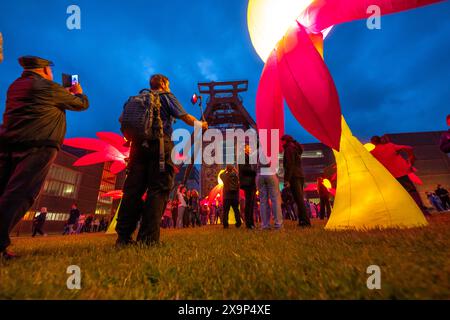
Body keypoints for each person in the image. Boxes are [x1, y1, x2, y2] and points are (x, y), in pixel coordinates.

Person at [0, 56, 89, 259]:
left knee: (5, 190)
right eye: (50, 70)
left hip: (9, 144)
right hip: (38, 145)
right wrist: (78, 92)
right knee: (20, 194)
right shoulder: (48, 87)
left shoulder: (16, 85)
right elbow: (81, 104)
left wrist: (60, 94)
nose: (52, 74)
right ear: (44, 70)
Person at [115, 74, 208, 246]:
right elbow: (186, 117)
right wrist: (201, 125)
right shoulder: (166, 96)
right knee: (158, 189)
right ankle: (148, 239)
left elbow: (122, 120)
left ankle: (123, 237)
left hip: (137, 147)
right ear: (164, 84)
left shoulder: (138, 97)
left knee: (133, 190)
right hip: (160, 145)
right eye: (169, 84)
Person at [370, 136, 430, 215]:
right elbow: (408, 148)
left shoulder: (372, 153)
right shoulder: (390, 146)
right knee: (411, 191)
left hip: (389, 176)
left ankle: (407, 212)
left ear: (372, 143)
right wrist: (411, 158)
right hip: (401, 172)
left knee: (398, 194)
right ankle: (421, 210)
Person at [281, 135, 311, 228]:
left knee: (299, 200)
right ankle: (303, 220)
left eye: (282, 141)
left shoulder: (289, 149)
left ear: (285, 141)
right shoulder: (295, 148)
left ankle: (305, 221)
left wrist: (286, 179)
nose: (281, 143)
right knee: (299, 199)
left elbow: (289, 164)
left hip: (294, 176)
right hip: (300, 175)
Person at [256, 155, 282, 230]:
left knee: (263, 201)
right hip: (270, 173)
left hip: (260, 174)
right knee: (275, 200)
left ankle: (265, 225)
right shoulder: (271, 150)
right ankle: (278, 224)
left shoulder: (255, 152)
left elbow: (252, 167)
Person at [239, 145, 257, 229]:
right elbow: (244, 169)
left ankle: (251, 222)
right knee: (249, 203)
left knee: (251, 203)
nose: (250, 149)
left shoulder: (248, 157)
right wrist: (254, 172)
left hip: (251, 182)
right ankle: (249, 223)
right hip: (247, 182)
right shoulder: (242, 156)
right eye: (248, 147)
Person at [220, 165, 242, 229]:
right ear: (232, 169)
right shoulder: (236, 176)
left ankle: (225, 224)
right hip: (235, 196)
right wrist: (235, 170)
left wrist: (225, 170)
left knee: (226, 211)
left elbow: (221, 175)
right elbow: (240, 176)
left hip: (227, 196)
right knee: (236, 210)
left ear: (227, 169)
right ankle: (238, 223)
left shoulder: (225, 176)